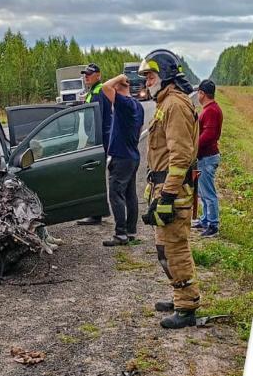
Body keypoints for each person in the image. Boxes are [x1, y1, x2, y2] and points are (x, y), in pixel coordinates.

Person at [139, 49, 200, 330]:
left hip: (173, 192)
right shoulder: (166, 104)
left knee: (174, 249)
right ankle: (179, 296)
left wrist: (167, 196)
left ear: (164, 75)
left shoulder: (175, 106)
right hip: (163, 188)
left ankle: (187, 307)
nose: (146, 82)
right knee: (164, 248)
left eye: (150, 76)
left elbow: (181, 157)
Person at [100, 73, 144, 247]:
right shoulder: (138, 106)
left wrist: (119, 77)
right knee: (130, 195)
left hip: (121, 156)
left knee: (116, 194)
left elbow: (105, 87)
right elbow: (140, 129)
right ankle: (131, 231)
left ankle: (120, 234)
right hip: (132, 155)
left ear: (119, 87)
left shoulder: (123, 103)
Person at [78, 63, 112, 226]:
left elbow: (97, 118)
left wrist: (91, 143)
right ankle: (97, 212)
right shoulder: (93, 91)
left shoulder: (98, 91)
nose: (86, 77)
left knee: (95, 176)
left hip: (99, 139)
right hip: (99, 138)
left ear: (98, 75)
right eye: (85, 74)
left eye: (90, 74)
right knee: (96, 175)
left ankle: (97, 213)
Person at [193, 79, 222, 237]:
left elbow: (209, 135)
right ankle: (205, 219)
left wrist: (193, 146)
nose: (198, 94)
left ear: (202, 93)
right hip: (205, 157)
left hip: (207, 157)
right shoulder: (210, 108)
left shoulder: (211, 111)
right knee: (203, 192)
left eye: (198, 92)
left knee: (208, 192)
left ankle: (213, 224)